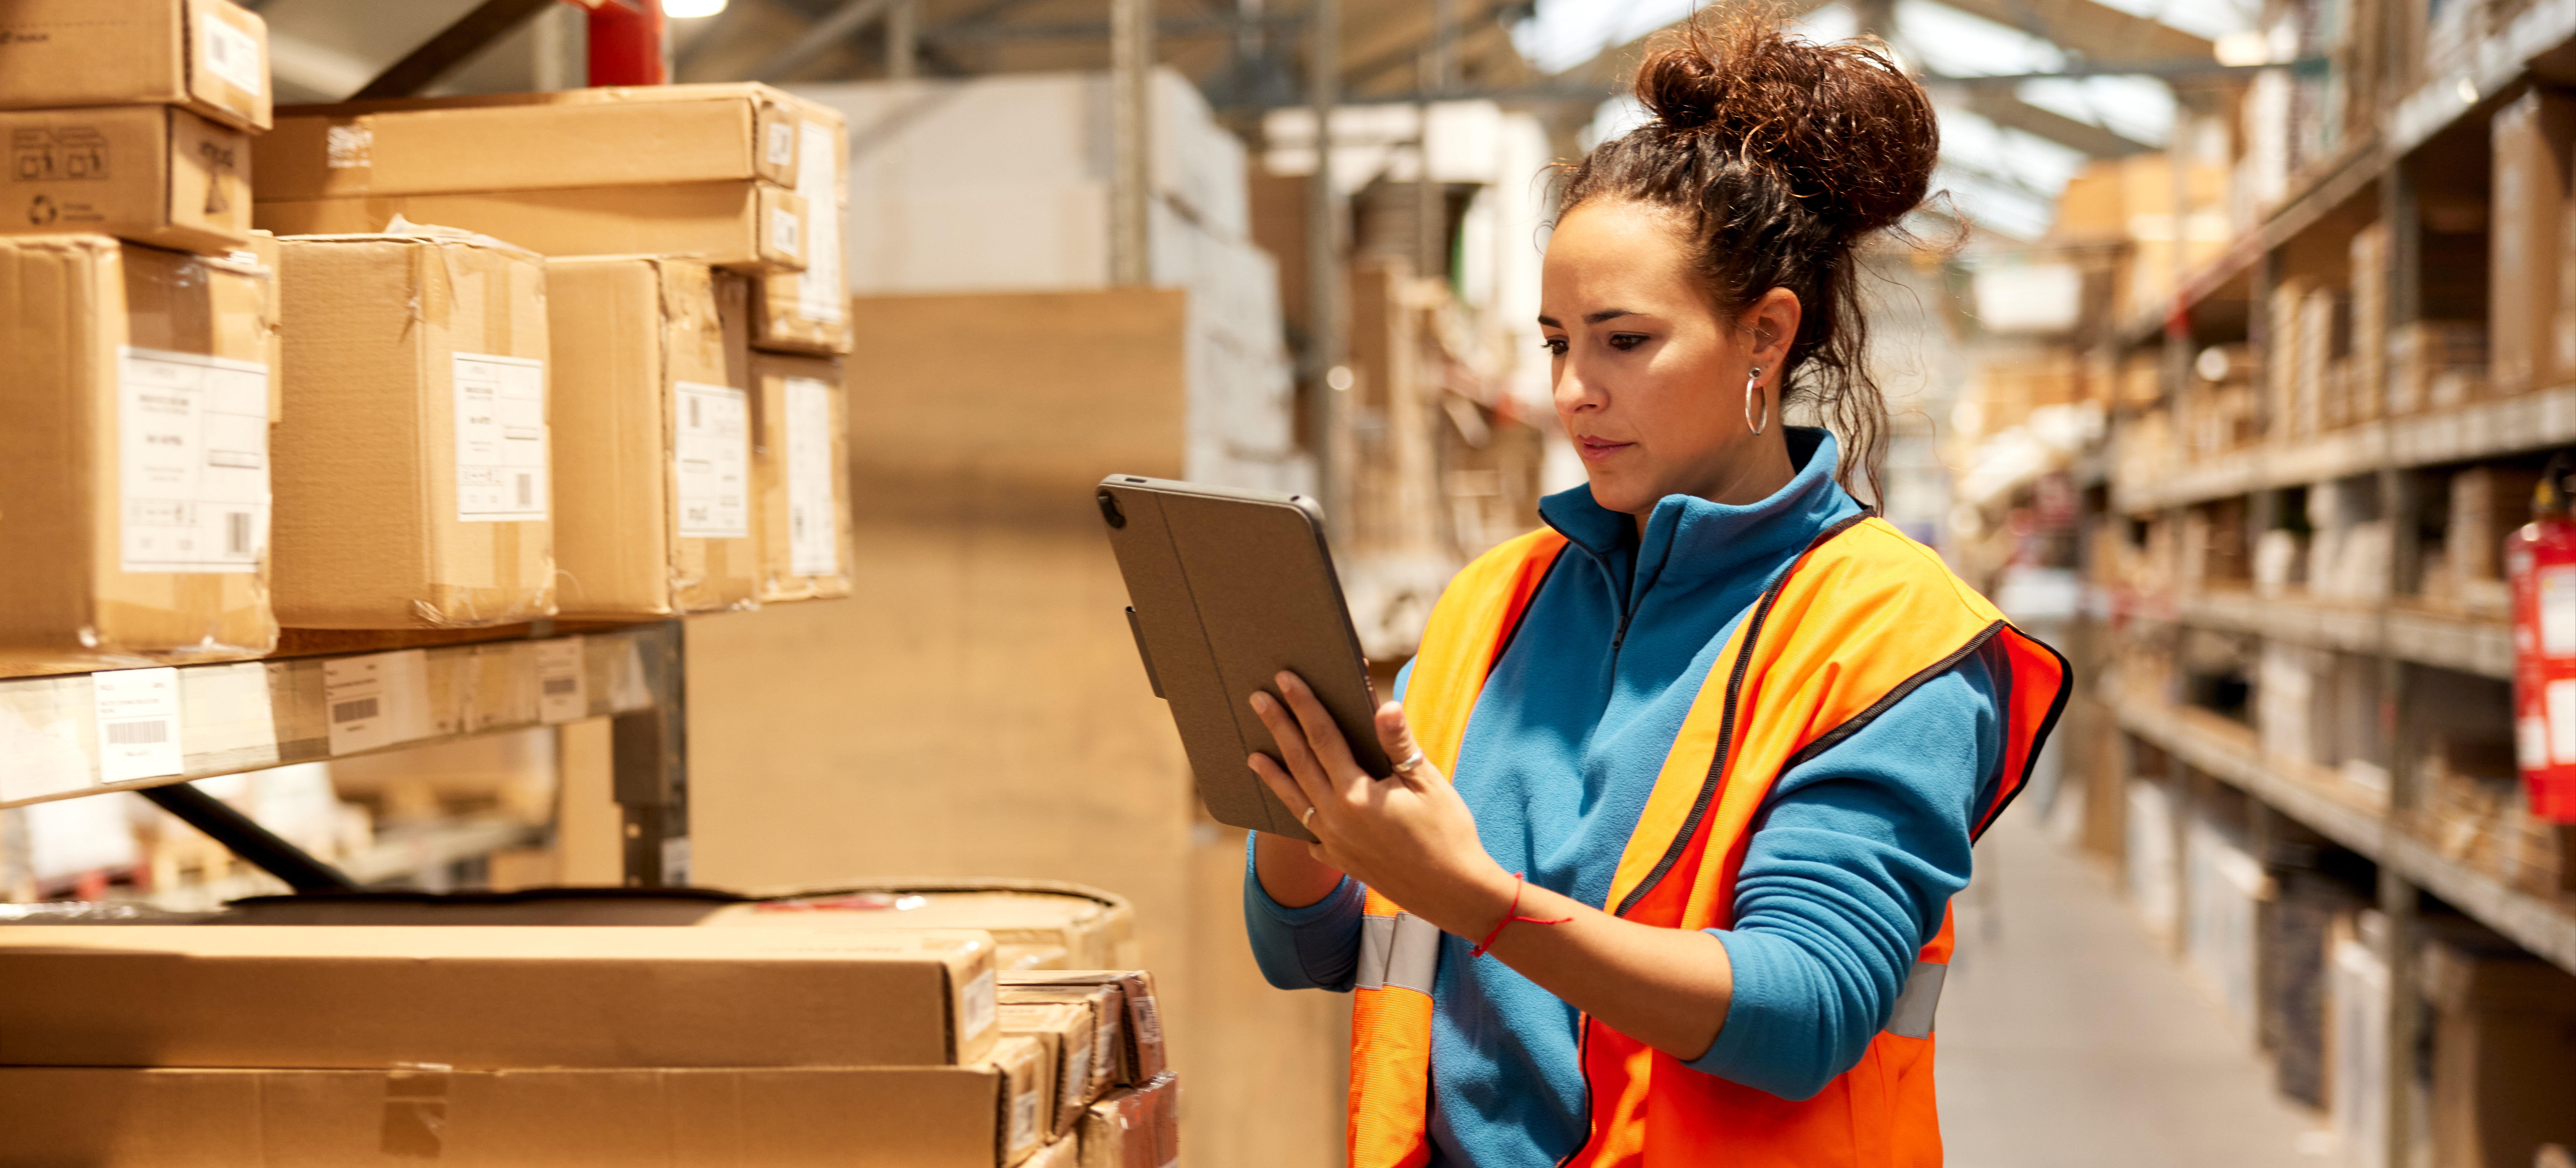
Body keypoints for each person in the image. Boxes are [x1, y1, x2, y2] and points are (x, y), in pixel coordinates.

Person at [1237, 9, 2071, 1166]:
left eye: (1624, 342)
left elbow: (1808, 1008)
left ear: (1764, 337)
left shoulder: (1891, 633)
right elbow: (1315, 949)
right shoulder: (1498, 600)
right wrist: (1302, 802)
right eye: (1556, 342)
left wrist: (1479, 899)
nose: (1575, 390)